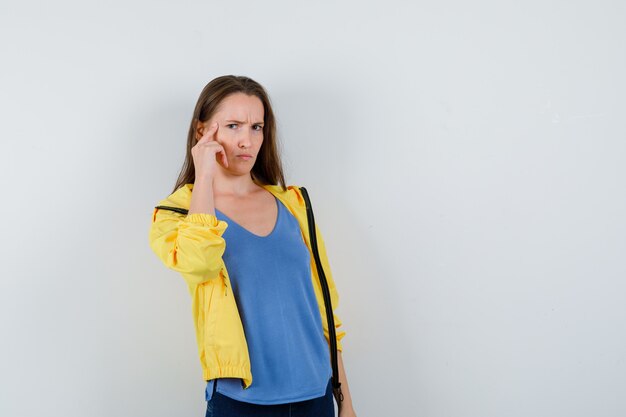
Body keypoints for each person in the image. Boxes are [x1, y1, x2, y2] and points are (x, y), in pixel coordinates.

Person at [148, 75, 356, 417]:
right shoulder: (176, 214)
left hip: (315, 396)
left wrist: (346, 403)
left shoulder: (295, 205)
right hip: (240, 403)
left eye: (256, 127)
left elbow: (324, 315)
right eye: (233, 126)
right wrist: (204, 178)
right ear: (202, 132)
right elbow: (198, 262)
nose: (247, 140)